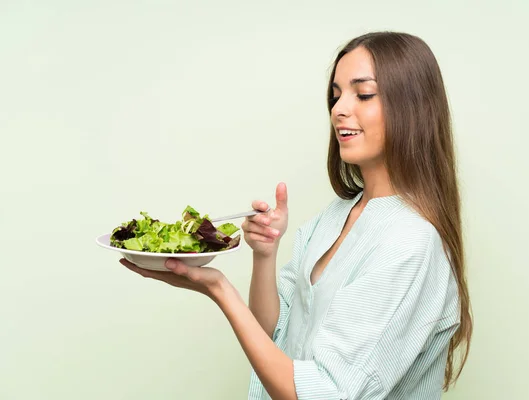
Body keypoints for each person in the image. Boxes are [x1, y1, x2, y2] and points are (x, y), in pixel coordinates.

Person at [120, 31, 473, 400]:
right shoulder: (337, 215)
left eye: (363, 94)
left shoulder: (410, 243)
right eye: (336, 95)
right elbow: (273, 331)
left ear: (412, 107)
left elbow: (325, 392)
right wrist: (265, 254)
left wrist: (219, 289)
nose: (338, 109)